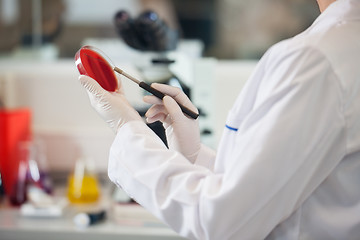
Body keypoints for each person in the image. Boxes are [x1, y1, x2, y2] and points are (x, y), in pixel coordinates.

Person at [78, 0, 360, 239]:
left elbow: (222, 220)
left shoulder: (315, 59)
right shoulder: (345, 44)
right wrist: (194, 154)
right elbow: (281, 179)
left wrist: (128, 131)